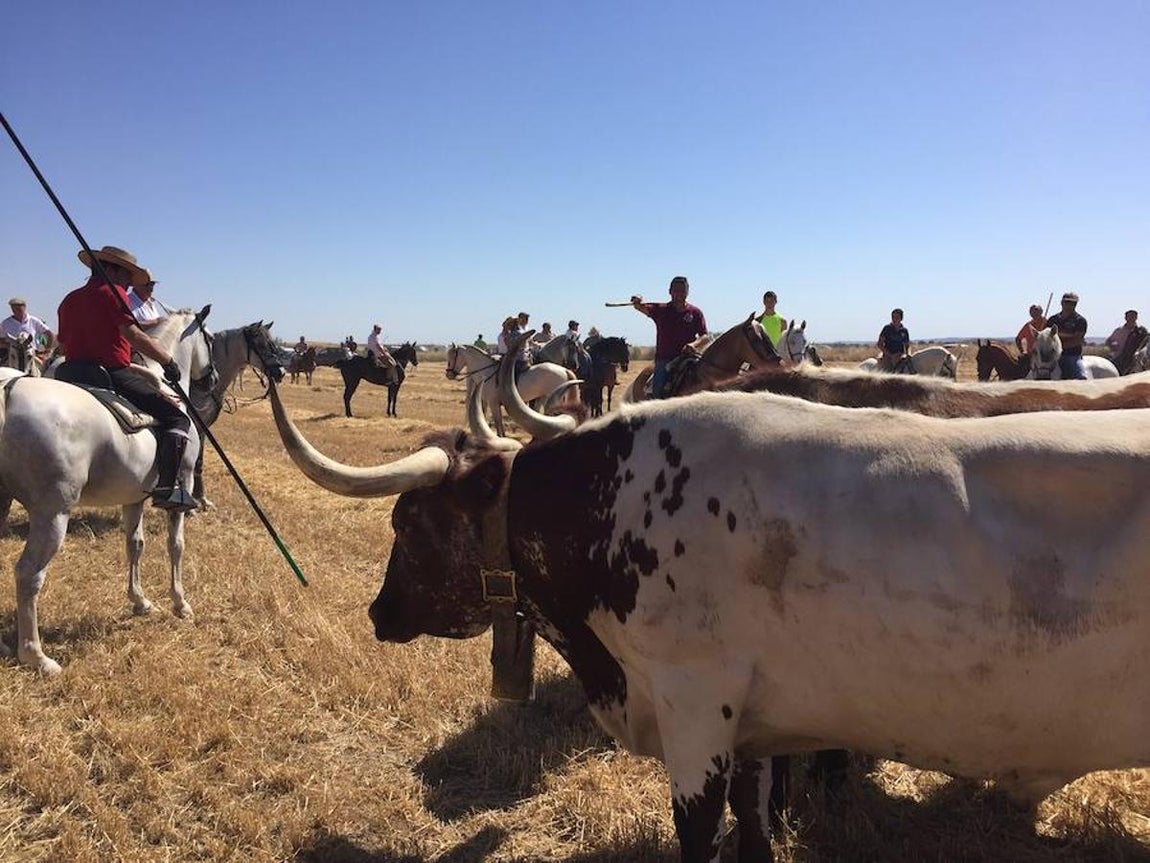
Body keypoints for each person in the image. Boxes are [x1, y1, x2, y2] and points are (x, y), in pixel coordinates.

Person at [56, 245, 196, 511]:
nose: (129, 285)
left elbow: (63, 343)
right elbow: (134, 335)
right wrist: (167, 360)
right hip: (108, 375)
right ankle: (167, 488)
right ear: (110, 269)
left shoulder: (69, 299)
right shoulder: (113, 293)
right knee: (177, 417)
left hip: (70, 372)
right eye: (126, 276)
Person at [631, 275, 708, 398]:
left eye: (682, 291)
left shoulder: (695, 312)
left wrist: (693, 345)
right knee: (658, 393)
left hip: (688, 358)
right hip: (665, 359)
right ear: (670, 292)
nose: (679, 294)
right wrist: (637, 300)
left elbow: (705, 337)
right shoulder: (661, 310)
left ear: (687, 292)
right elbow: (640, 307)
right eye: (676, 291)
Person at [1045, 292, 1088, 380]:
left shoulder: (1080, 320)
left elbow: (1077, 340)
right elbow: (1046, 336)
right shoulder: (1052, 319)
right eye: (1066, 302)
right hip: (1053, 356)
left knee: (1080, 376)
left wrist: (1058, 345)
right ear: (1061, 303)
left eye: (1073, 303)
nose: (1069, 305)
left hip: (1071, 355)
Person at [877, 309, 911, 373]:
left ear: (901, 318)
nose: (894, 319)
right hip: (888, 356)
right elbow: (879, 344)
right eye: (893, 317)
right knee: (887, 375)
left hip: (900, 356)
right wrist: (891, 355)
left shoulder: (904, 330)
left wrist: (908, 354)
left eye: (897, 317)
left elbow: (907, 345)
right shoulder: (887, 328)